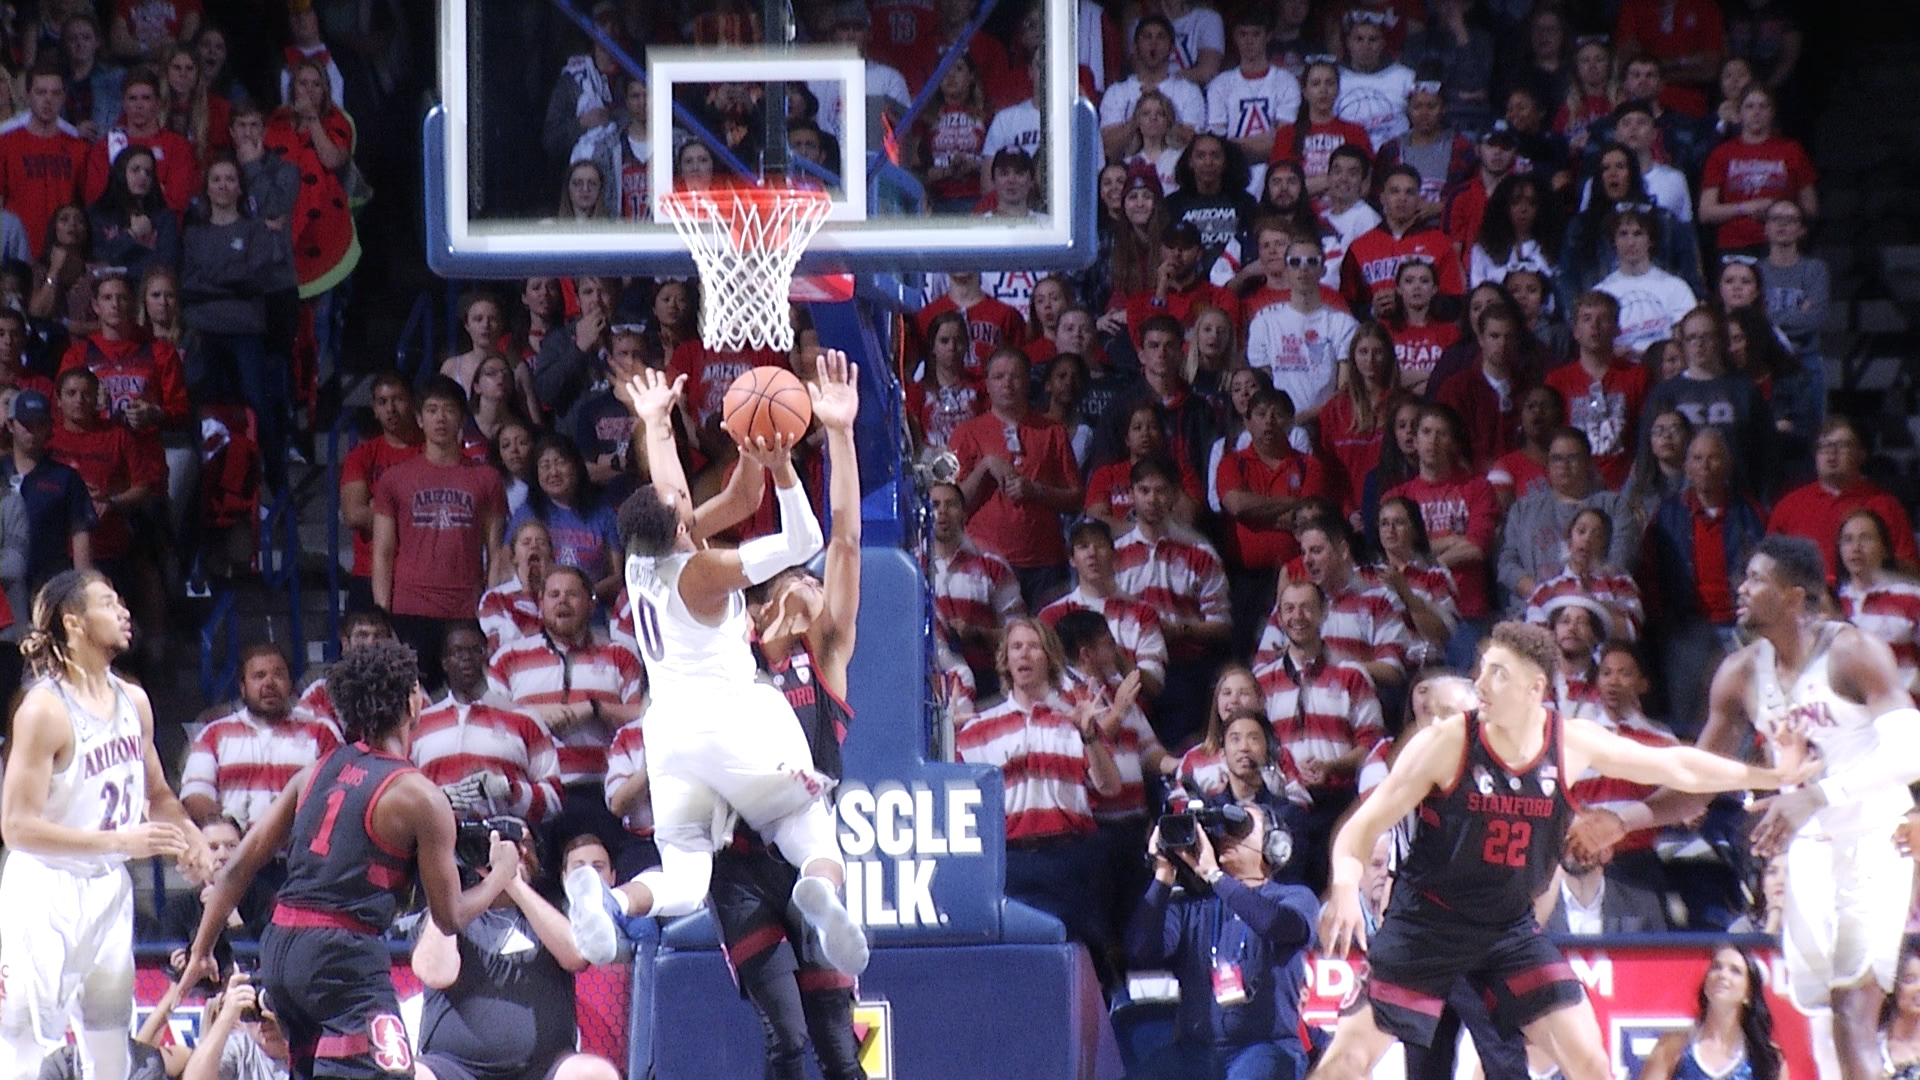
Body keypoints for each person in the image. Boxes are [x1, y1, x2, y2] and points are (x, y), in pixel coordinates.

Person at [1310, 621, 1809, 1080]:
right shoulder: (1445, 743)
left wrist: (1769, 776)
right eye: (1481, 670)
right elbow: (1361, 827)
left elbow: (1676, 766)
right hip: (1429, 924)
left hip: (1509, 931)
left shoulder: (1570, 743)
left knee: (1592, 1063)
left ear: (1536, 690)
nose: (1481, 685)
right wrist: (1347, 885)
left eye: (1498, 675)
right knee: (1346, 1061)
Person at [564, 365, 866, 978]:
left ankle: (613, 900)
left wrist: (661, 423)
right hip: (731, 721)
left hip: (668, 738)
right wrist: (782, 464)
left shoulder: (642, 564)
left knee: (684, 874)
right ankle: (821, 892)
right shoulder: (703, 572)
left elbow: (725, 498)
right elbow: (803, 537)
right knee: (804, 826)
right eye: (684, 507)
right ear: (681, 528)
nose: (688, 499)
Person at [183, 638, 526, 1080]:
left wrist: (201, 949)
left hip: (282, 947)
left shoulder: (314, 771)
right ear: (413, 702)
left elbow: (236, 868)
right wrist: (501, 873)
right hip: (340, 955)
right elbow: (450, 917)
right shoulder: (419, 794)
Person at [714, 349, 865, 1078]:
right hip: (740, 865)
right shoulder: (731, 661)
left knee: (838, 1045)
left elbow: (846, 539)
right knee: (788, 1039)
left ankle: (826, 899)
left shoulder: (824, 651)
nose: (811, 584)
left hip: (809, 849)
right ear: (764, 603)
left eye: (814, 581)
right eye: (795, 578)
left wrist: (837, 433)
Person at [0, 568, 210, 1080]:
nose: (124, 612)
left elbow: (157, 793)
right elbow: (16, 827)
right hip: (44, 891)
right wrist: (120, 840)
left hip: (107, 891)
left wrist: (191, 836)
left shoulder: (133, 700)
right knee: (25, 1054)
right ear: (73, 622)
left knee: (109, 1056)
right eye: (109, 603)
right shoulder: (43, 710)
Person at [1124, 802, 1318, 1080]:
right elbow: (1140, 951)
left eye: (1241, 827)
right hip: (1195, 1052)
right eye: (1224, 828)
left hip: (1266, 1048)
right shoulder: (1191, 905)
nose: (1228, 835)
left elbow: (1273, 923)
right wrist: (1163, 874)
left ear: (1275, 844)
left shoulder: (1294, 897)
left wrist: (1215, 876)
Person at [412, 831, 620, 1080]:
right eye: (504, 844)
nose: (516, 851)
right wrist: (473, 888)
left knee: (595, 1073)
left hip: (544, 1069)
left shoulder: (554, 911)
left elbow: (576, 955)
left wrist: (513, 882)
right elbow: (436, 973)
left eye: (524, 844)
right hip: (454, 1068)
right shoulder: (448, 914)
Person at [370, 376, 508, 689]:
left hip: (466, 609)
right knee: (414, 702)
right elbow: (382, 552)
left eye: (448, 410)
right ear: (419, 418)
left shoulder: (487, 478)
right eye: (432, 410)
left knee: (469, 699)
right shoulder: (395, 479)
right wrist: (383, 614)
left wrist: (490, 606)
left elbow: (495, 548)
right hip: (410, 608)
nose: (440, 418)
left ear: (461, 417)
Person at [414, 620, 562, 825]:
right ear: (445, 662)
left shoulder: (525, 720)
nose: (466, 658)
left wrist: (510, 790)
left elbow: (553, 799)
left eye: (475, 650)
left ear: (486, 656)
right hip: (438, 842)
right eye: (457, 652)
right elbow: (402, 791)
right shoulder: (420, 725)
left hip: (507, 842)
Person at [180, 644, 342, 828]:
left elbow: (340, 796)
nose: (269, 683)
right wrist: (226, 832)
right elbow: (195, 794)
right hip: (234, 852)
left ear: (290, 682)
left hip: (300, 853)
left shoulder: (321, 732)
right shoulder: (214, 734)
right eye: (259, 676)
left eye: (278, 675)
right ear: (242, 687)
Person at [1769, 417, 1920, 580]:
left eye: (1842, 445)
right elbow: (1768, 564)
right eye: (1824, 446)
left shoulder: (1886, 506)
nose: (1831, 453)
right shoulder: (1789, 506)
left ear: (1862, 454)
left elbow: (1909, 572)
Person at [1637, 946, 1786, 1080]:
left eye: (1735, 971)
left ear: (1748, 994)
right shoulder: (1673, 1046)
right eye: (1716, 967)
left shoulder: (1769, 1058)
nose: (1723, 975)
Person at [0, 66, 89, 263]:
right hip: (18, 253)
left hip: (66, 254)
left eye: (55, 93)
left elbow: (85, 204)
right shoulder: (6, 143)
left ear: (64, 97)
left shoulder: (78, 148)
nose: (48, 100)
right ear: (27, 95)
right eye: (41, 92)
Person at [1835, 509, 1920, 696]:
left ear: (1885, 548)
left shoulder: (1912, 599)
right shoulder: (1833, 602)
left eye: (1865, 538)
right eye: (1848, 540)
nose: (1856, 548)